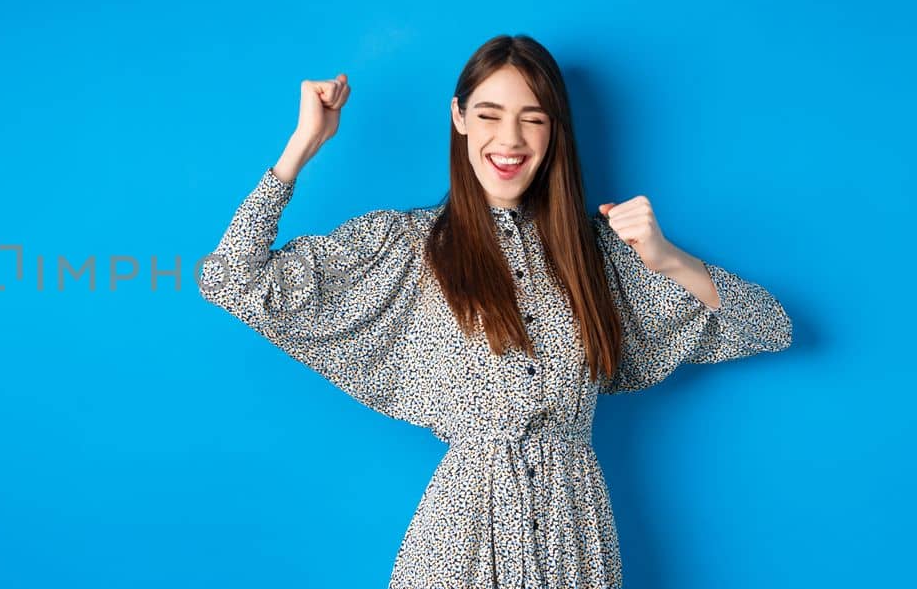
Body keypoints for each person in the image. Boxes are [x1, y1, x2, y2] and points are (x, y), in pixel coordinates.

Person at [197, 34, 793, 588]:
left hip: (575, 537)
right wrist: (302, 147)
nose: (509, 140)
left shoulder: (599, 257)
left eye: (533, 119)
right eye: (489, 115)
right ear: (458, 119)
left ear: (554, 133)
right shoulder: (407, 250)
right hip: (461, 541)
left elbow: (769, 324)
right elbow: (230, 278)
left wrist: (667, 260)